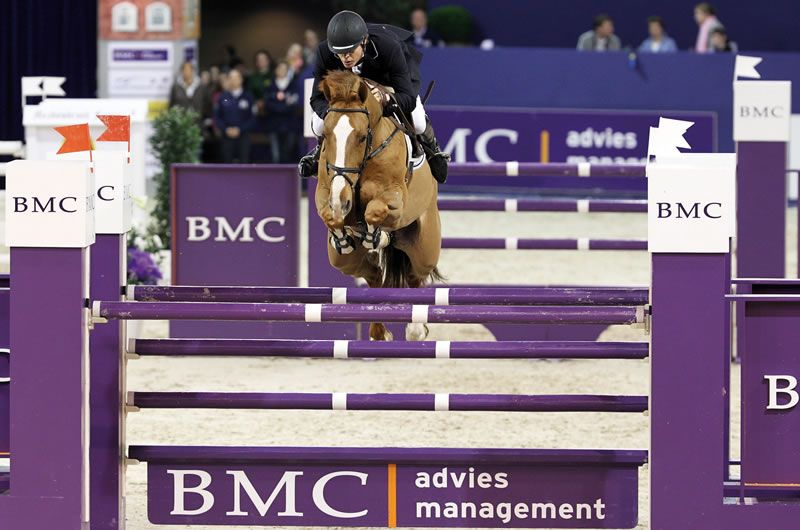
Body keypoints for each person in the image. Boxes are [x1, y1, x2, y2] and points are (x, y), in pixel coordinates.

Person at [299, 10, 450, 183]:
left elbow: (407, 98)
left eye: (350, 51)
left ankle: (432, 149)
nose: (345, 58)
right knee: (318, 125)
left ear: (364, 41)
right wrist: (333, 115)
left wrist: (387, 99)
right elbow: (316, 99)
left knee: (418, 121)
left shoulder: (388, 47)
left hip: (388, 79)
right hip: (350, 87)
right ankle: (319, 151)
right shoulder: (324, 51)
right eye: (340, 53)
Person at [214, 69, 256, 163]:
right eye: (231, 78)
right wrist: (226, 129)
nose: (233, 80)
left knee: (244, 163)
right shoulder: (223, 97)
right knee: (227, 164)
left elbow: (253, 118)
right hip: (226, 137)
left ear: (241, 79)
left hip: (243, 136)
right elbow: (217, 117)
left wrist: (240, 129)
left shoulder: (248, 97)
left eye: (236, 78)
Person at [264, 61, 302, 163]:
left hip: (290, 123)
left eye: (284, 69)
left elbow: (294, 102)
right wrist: (283, 107)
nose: (282, 71)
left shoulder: (293, 84)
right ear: (275, 70)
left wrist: (279, 107)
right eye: (279, 68)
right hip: (274, 123)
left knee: (288, 150)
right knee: (275, 154)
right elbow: (267, 103)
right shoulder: (270, 85)